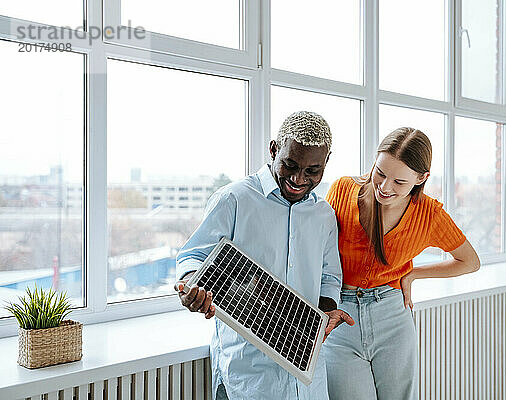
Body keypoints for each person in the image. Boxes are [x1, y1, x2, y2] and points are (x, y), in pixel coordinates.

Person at [173, 111, 355, 400]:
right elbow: (194, 256)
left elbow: (329, 276)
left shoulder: (323, 215)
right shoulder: (234, 199)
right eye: (290, 165)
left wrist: (325, 313)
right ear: (274, 150)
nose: (299, 179)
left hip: (307, 371)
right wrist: (191, 285)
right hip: (248, 372)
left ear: (326, 162)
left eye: (312, 171)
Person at [322, 127, 480, 400]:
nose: (385, 187)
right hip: (339, 317)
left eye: (399, 182)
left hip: (392, 317)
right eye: (380, 173)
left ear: (421, 178)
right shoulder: (342, 190)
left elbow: (469, 261)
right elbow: (318, 250)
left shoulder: (430, 214)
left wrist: (413, 274)